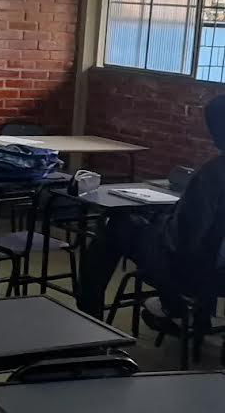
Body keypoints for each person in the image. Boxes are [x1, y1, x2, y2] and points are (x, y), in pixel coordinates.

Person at [78, 94, 225, 325]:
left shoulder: (213, 175)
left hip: (195, 273)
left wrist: (159, 222)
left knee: (114, 224)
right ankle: (184, 310)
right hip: (218, 271)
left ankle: (89, 318)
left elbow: (182, 240)